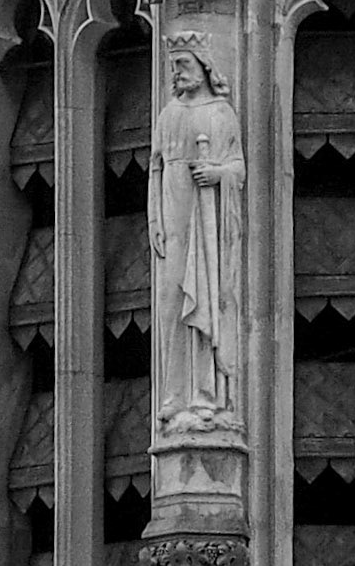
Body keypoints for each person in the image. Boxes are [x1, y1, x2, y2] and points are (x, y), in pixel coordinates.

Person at [150, 31, 245, 431]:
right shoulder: (169, 114)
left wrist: (218, 173)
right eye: (174, 66)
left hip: (206, 224)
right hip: (173, 221)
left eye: (183, 64)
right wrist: (154, 219)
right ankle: (174, 394)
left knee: (204, 297)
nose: (177, 72)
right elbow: (155, 168)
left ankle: (206, 394)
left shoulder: (221, 112)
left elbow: (238, 167)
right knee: (172, 302)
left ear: (204, 67)